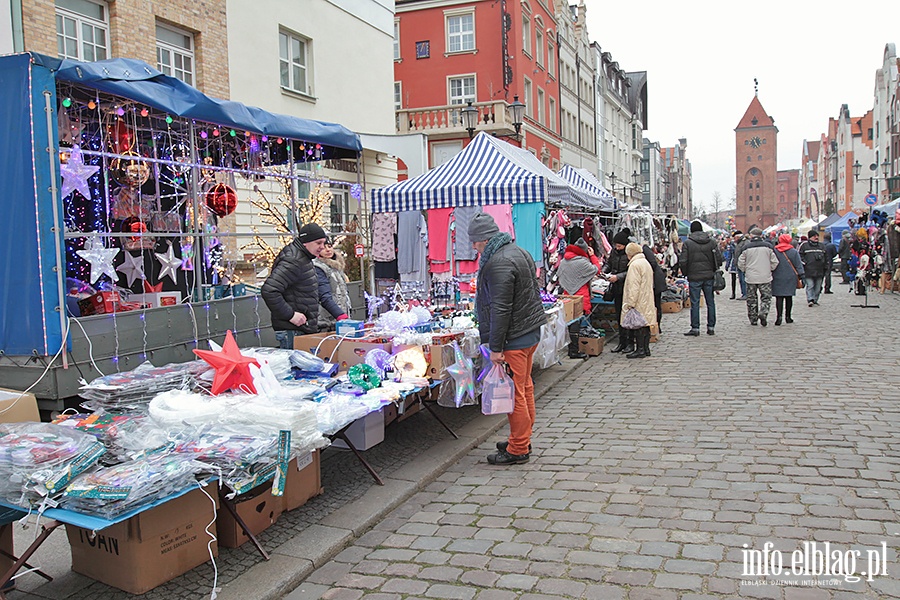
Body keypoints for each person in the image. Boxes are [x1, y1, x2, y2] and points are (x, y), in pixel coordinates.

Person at [469, 213, 546, 466]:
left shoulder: (497, 262)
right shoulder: (518, 251)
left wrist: (496, 348)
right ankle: (521, 438)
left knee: (516, 394)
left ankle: (518, 448)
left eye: (475, 242)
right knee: (524, 388)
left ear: (483, 240)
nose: (473, 247)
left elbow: (500, 308)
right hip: (528, 332)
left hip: (514, 338)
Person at [262, 223, 331, 350]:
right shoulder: (294, 260)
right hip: (292, 331)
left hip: (300, 329)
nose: (322, 247)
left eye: (323, 243)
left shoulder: (304, 257)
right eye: (318, 243)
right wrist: (291, 315)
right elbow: (269, 290)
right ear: (306, 242)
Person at [556, 237, 600, 359]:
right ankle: (574, 350)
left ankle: (572, 347)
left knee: (570, 321)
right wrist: (593, 256)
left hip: (566, 294)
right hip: (580, 294)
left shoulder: (564, 260)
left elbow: (559, 275)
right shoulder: (582, 262)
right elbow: (596, 269)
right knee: (576, 322)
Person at [678, 221, 722, 336]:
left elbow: (683, 261)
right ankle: (711, 327)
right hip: (709, 276)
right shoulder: (711, 242)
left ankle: (695, 328)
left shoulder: (688, 243)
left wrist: (686, 273)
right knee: (710, 302)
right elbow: (718, 258)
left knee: (695, 303)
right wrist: (713, 269)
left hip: (694, 277)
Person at [620, 243, 656, 358]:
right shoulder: (645, 262)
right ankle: (645, 348)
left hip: (638, 300)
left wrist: (630, 303)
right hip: (646, 298)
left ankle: (640, 349)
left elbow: (633, 286)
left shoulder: (634, 265)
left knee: (638, 325)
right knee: (645, 324)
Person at [737, 227, 778, 326]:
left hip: (751, 277)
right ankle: (763, 312)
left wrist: (745, 270)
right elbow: (775, 261)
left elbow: (740, 262)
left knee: (751, 299)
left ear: (751, 235)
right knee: (766, 297)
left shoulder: (746, 247)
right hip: (765, 276)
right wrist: (769, 269)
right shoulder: (768, 247)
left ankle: (753, 318)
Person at [604, 229, 633, 353]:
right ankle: (622, 342)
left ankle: (629, 343)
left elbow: (632, 271)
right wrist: (603, 271)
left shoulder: (630, 253)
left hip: (627, 288)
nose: (617, 247)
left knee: (628, 317)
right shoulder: (614, 253)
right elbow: (609, 264)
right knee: (619, 316)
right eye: (615, 245)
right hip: (616, 289)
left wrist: (618, 277)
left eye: (619, 245)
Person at [313, 241, 352, 332]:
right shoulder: (318, 268)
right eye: (323, 248)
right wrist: (341, 316)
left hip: (340, 319)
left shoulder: (336, 267)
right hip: (327, 322)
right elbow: (324, 296)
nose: (328, 250)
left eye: (330, 246)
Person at [771, 233, 805, 326]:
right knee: (789, 297)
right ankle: (788, 316)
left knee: (779, 297)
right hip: (791, 276)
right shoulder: (793, 251)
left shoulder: (775, 251)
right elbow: (798, 265)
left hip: (777, 276)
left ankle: (779, 317)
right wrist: (802, 276)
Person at [798, 229, 827, 307]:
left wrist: (825, 265)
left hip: (820, 270)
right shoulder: (804, 246)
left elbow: (826, 256)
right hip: (808, 270)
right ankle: (810, 299)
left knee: (818, 287)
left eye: (817, 236)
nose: (816, 237)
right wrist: (805, 263)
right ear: (810, 237)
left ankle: (815, 300)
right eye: (814, 236)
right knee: (810, 285)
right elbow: (800, 256)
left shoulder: (822, 246)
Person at [732, 230, 748, 300]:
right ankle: (743, 293)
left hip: (743, 264)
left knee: (743, 279)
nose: (734, 240)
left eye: (735, 238)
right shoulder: (740, 243)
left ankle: (745, 294)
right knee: (741, 280)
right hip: (739, 264)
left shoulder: (744, 243)